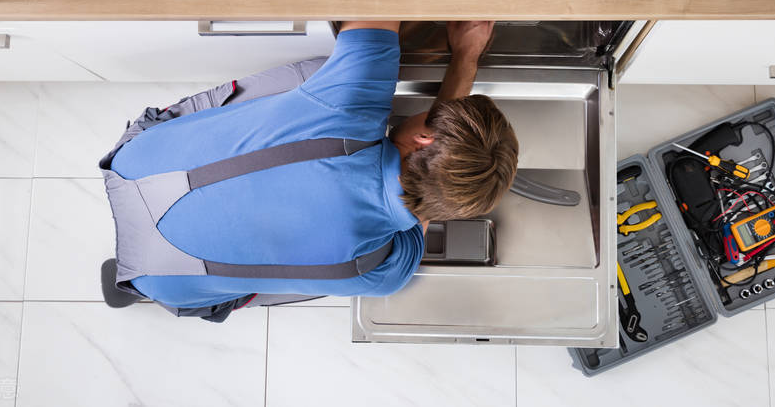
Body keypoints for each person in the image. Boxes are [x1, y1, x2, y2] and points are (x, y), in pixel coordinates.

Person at [103, 20, 519, 313]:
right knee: (318, 281)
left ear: (424, 140)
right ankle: (133, 290)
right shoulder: (386, 271)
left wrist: (465, 54)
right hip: (157, 278)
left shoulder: (349, 104)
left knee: (327, 72)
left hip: (133, 167)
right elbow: (420, 212)